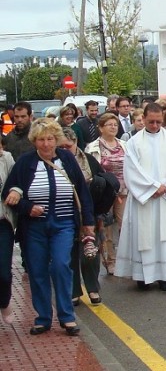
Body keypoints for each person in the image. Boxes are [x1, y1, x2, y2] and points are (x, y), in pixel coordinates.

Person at [2, 119, 95, 336]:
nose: (46, 144)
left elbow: (82, 192)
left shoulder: (67, 159)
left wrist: (88, 223)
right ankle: (43, 317)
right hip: (34, 227)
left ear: (56, 139)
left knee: (61, 265)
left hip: (63, 224)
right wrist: (27, 207)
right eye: (41, 140)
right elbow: (8, 193)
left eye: (50, 139)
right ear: (35, 141)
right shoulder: (25, 163)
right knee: (37, 270)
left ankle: (67, 316)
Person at [114, 103, 166, 291]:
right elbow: (131, 170)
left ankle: (165, 276)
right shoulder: (134, 142)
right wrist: (152, 187)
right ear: (143, 119)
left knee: (165, 236)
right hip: (145, 198)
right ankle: (143, 276)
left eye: (158, 122)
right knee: (144, 235)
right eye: (150, 121)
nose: (154, 125)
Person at [59, 128, 105, 306]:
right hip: (65, 212)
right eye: (61, 146)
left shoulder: (89, 160)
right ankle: (74, 291)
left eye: (68, 146)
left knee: (90, 252)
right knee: (70, 253)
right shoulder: (54, 162)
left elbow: (102, 181)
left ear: (76, 143)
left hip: (88, 212)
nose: (64, 150)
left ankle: (92, 289)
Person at [87, 113, 128, 274]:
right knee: (107, 227)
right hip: (105, 194)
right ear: (101, 128)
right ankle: (110, 260)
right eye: (109, 124)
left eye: (115, 125)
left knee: (125, 225)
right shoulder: (93, 147)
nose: (113, 127)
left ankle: (126, 259)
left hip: (124, 191)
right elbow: (91, 171)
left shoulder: (124, 145)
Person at [0, 147, 15, 325]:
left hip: (2, 222)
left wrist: (16, 191)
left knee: (3, 272)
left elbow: (16, 181)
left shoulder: (6, 158)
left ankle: (4, 301)